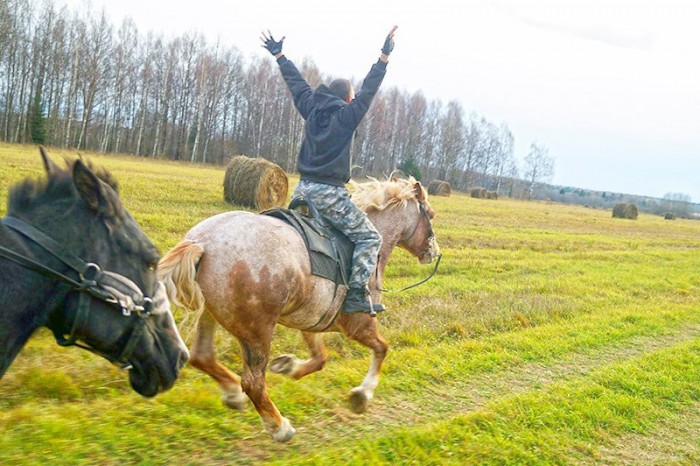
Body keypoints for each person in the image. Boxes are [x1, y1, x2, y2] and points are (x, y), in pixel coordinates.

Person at [261, 26, 397, 316]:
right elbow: (369, 90)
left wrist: (280, 56)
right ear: (348, 100)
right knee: (370, 238)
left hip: (302, 190)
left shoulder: (311, 107)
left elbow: (297, 85)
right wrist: (384, 57)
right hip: (330, 196)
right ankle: (356, 296)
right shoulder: (347, 116)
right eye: (353, 98)